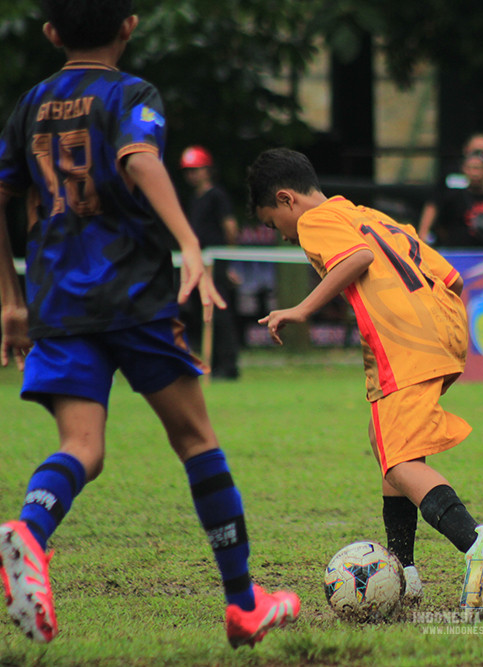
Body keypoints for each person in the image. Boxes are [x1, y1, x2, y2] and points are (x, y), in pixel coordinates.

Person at [0, 0, 299, 647]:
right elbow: (139, 157)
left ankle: (28, 528)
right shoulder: (131, 93)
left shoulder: (29, 106)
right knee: (196, 439)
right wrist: (189, 241)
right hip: (132, 292)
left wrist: (10, 298)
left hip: (55, 301)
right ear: (129, 27)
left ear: (50, 33)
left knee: (83, 446)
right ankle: (244, 602)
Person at [246, 148, 483, 607]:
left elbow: (356, 260)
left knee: (397, 462)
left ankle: (476, 542)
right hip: (443, 330)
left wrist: (301, 309)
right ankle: (405, 570)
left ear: (286, 199)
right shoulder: (367, 213)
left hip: (403, 343)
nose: (283, 235)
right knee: (387, 441)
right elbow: (452, 279)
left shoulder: (314, 221)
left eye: (273, 223)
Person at [179, 145, 241, 379]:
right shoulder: (193, 200)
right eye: (188, 170)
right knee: (200, 312)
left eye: (196, 169)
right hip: (198, 263)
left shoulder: (217, 196)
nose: (191, 175)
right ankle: (211, 364)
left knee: (221, 314)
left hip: (216, 261)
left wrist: (229, 258)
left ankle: (228, 366)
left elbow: (230, 226)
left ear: (207, 170)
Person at [417, 132, 483, 245]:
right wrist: (423, 233)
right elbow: (434, 204)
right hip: (455, 242)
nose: (475, 173)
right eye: (475, 152)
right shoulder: (451, 176)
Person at [418, 153, 483, 247]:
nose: (474, 173)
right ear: (464, 170)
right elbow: (441, 223)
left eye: (478, 168)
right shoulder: (454, 197)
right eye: (470, 168)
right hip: (457, 251)